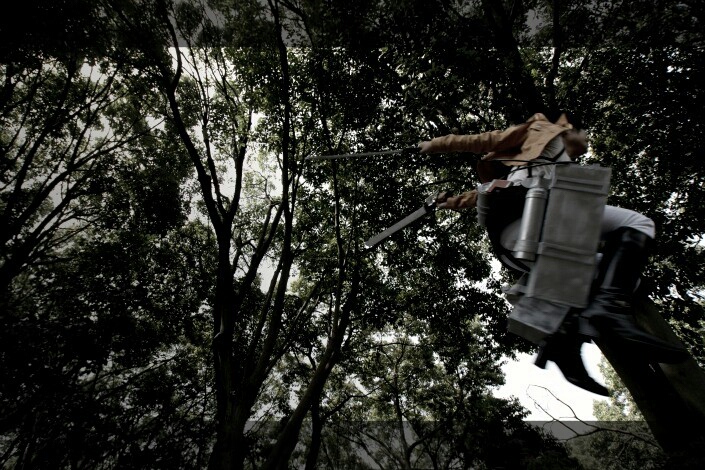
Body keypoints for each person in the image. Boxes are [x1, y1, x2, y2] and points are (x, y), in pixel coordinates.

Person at [418, 113, 687, 395]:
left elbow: (482, 192)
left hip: (517, 245)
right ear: (569, 127)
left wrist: (451, 202)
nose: (588, 140)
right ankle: (606, 312)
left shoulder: (549, 165)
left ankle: (563, 342)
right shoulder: (543, 130)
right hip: (532, 217)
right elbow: (487, 140)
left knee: (612, 273)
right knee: (638, 224)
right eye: (585, 132)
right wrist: (435, 144)